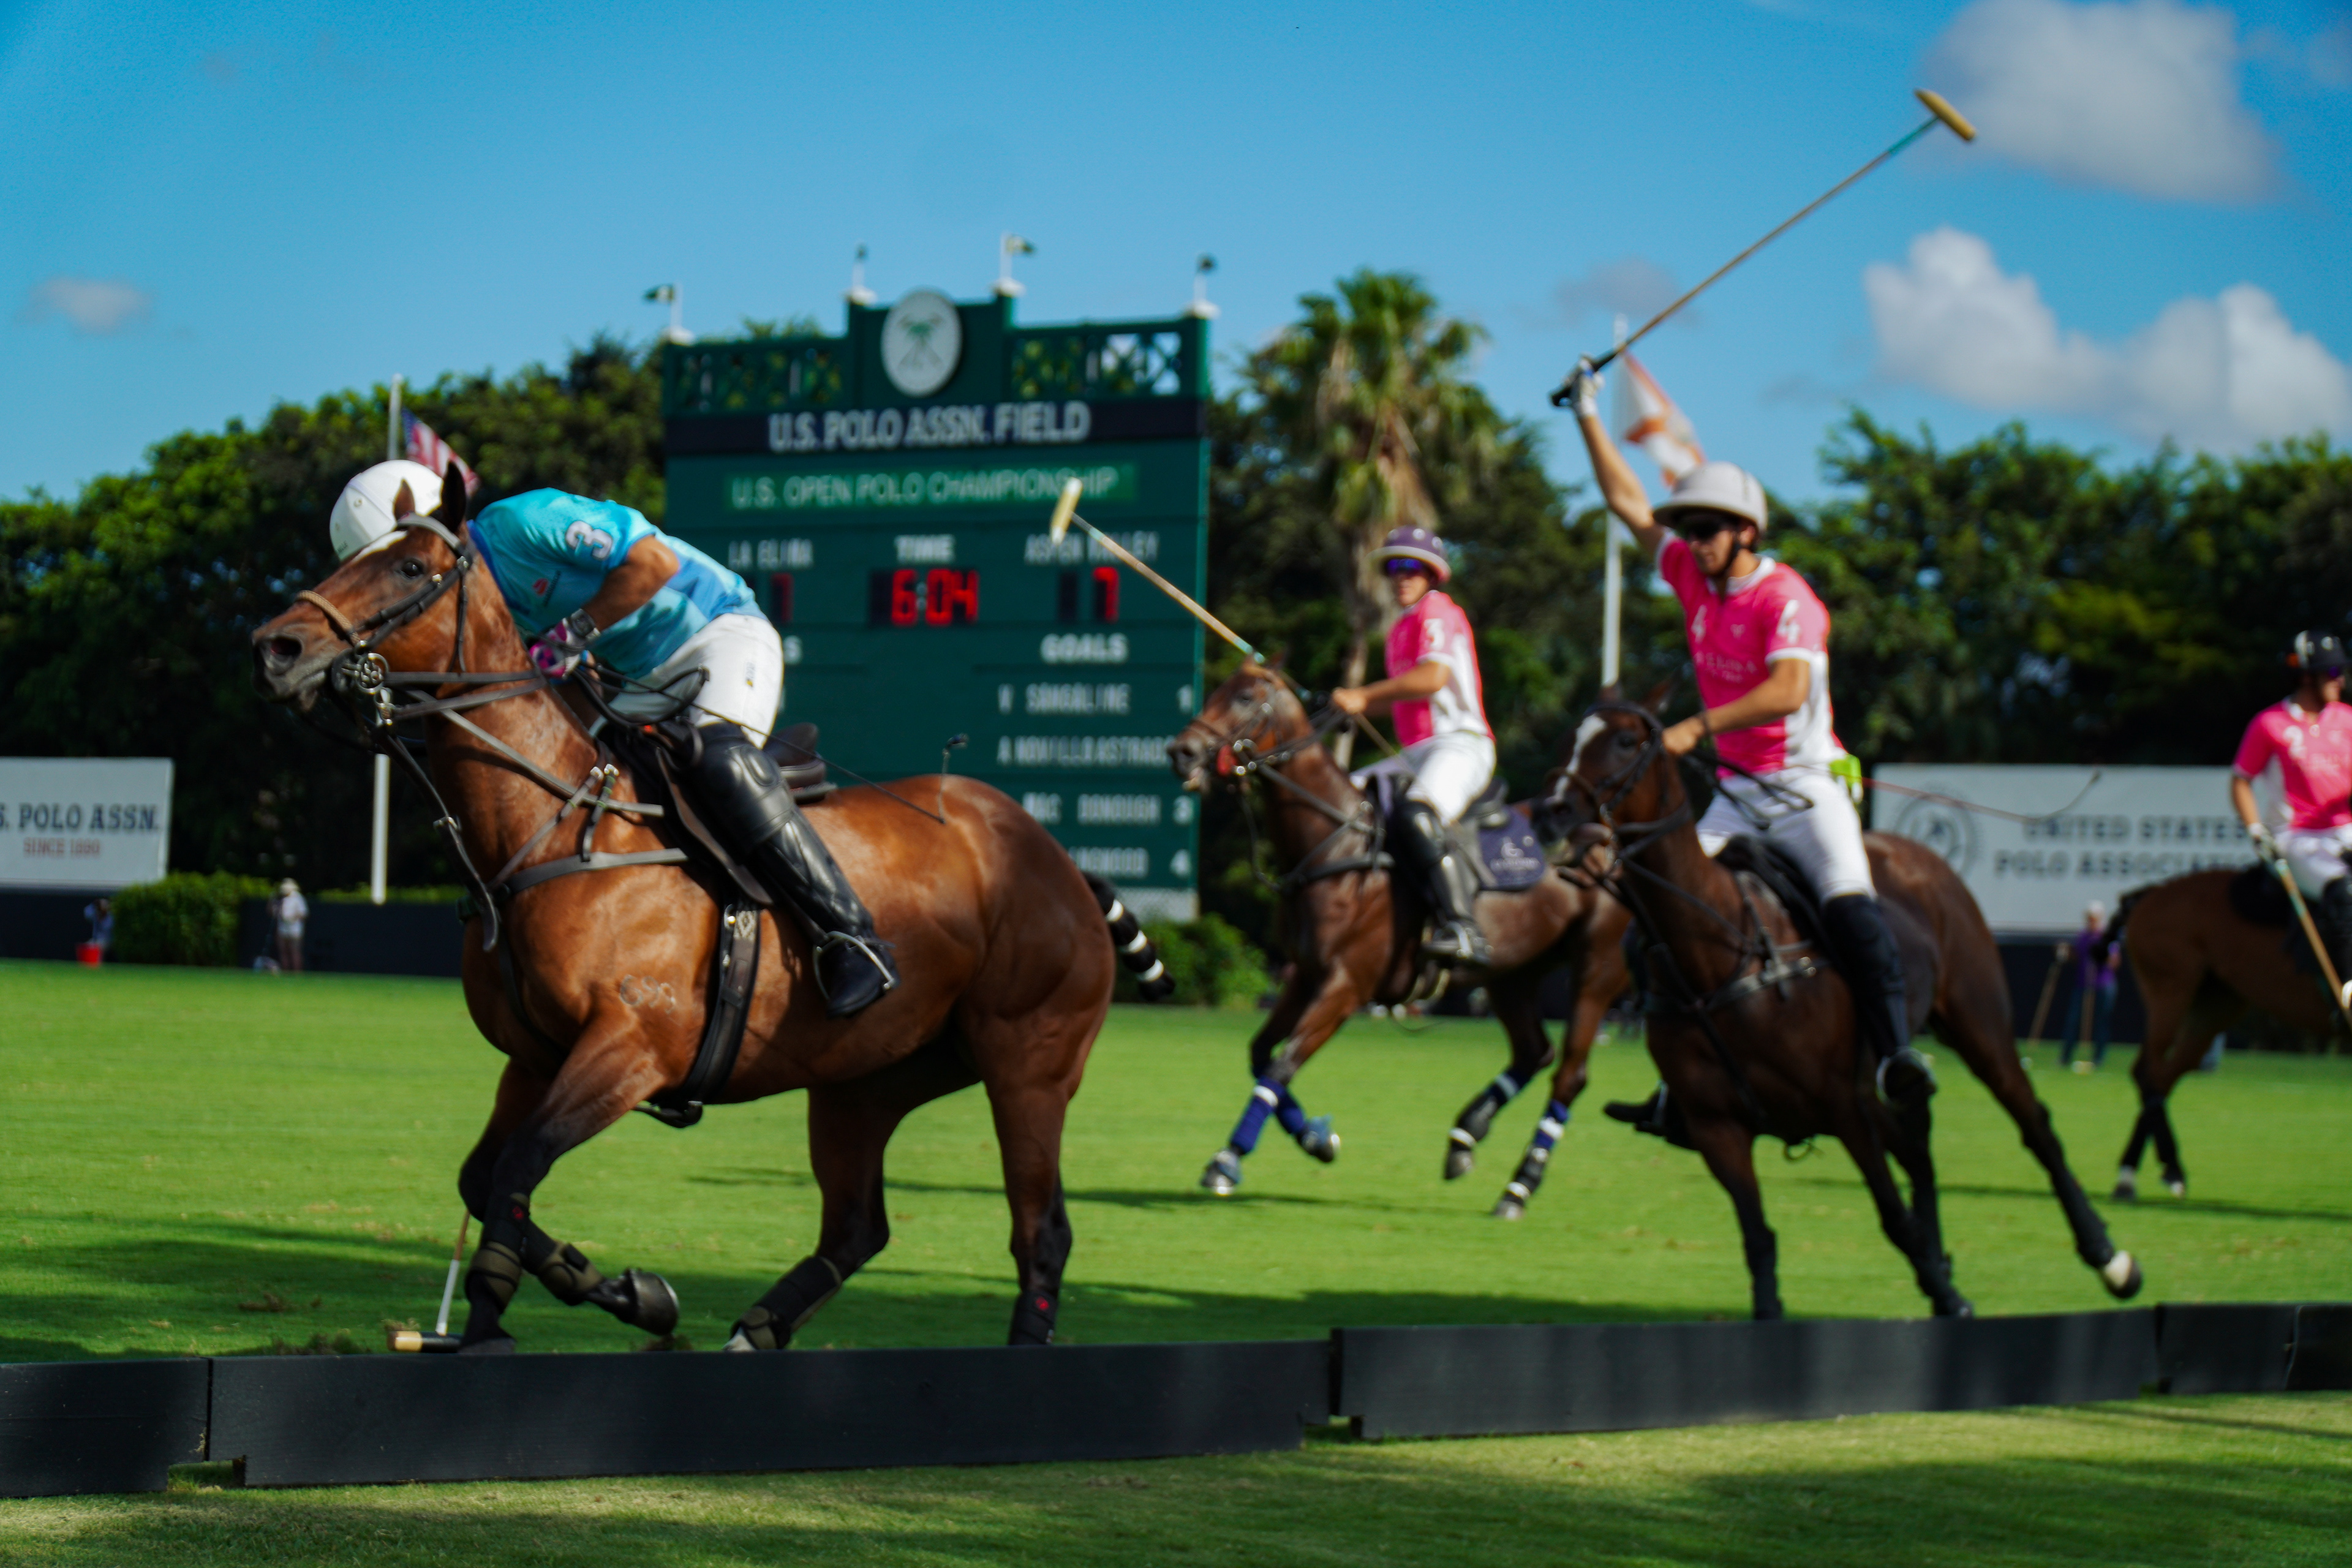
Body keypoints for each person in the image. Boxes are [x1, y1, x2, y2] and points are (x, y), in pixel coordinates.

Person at [328, 461, 897, 1016]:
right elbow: (573, 683)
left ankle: (852, 938)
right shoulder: (479, 598)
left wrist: (571, 633)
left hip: (720, 631)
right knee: (579, 789)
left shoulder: (525, 521)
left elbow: (654, 562)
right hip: (639, 679)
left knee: (720, 764)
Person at [1561, 361, 1934, 1114]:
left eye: (1705, 530)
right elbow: (1629, 503)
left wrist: (1694, 727)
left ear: (1746, 532)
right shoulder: (1691, 575)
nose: (1691, 542)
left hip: (1804, 787)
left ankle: (1895, 1054)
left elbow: (1788, 689)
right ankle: (1684, 1082)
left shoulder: (1786, 596)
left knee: (1851, 906)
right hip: (1735, 794)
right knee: (1657, 917)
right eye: (1687, 530)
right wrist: (1587, 414)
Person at [1330, 524, 1498, 966]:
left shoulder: (1437, 610)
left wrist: (1362, 695)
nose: (1402, 575)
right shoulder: (1400, 629)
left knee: (1417, 813)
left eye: (1412, 567)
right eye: (1394, 567)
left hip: (1460, 743)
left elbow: (1432, 678)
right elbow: (1401, 698)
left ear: (1432, 574)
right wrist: (1344, 707)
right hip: (1415, 753)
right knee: (1342, 801)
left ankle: (1463, 929)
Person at [2230, 630, 2352, 1003]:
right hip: (2298, 837)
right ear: (2307, 677)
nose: (2341, 680)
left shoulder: (2348, 719)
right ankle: (2348, 991)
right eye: (2334, 672)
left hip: (2346, 830)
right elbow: (2241, 781)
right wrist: (2256, 830)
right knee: (2345, 892)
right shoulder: (2270, 724)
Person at [2056, 900, 2120, 1071]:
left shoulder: (2106, 937)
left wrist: (2102, 955)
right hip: (2083, 984)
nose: (2091, 921)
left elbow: (2114, 962)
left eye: (2094, 918)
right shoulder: (2083, 936)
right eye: (2089, 918)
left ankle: (2098, 1058)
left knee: (2101, 1023)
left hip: (2103, 985)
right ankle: (2065, 1057)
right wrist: (2066, 953)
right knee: (2073, 1020)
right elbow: (2078, 956)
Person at [271, 879, 307, 973]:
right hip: (282, 929)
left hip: (295, 930)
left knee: (295, 951)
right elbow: (273, 912)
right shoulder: (280, 899)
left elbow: (303, 913)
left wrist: (292, 918)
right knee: (283, 951)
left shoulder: (298, 898)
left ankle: (297, 973)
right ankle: (286, 972)